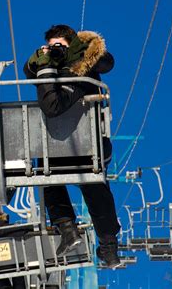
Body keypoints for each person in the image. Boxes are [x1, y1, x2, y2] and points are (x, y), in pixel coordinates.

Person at [23, 25, 121, 268]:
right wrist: (43, 63)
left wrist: (65, 61)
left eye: (61, 46)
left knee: (95, 189)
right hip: (58, 147)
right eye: (51, 46)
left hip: (88, 146)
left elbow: (53, 105)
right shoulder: (53, 69)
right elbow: (34, 78)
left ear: (73, 44)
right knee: (46, 179)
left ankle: (107, 245)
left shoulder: (81, 70)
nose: (56, 51)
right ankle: (69, 231)